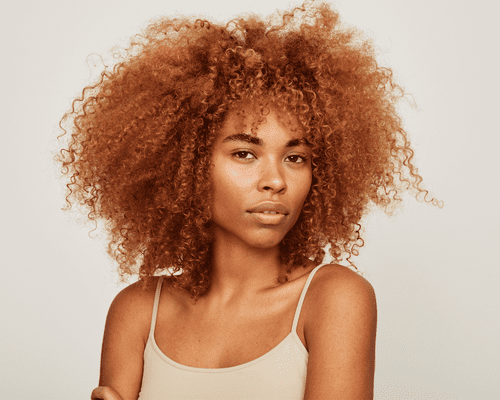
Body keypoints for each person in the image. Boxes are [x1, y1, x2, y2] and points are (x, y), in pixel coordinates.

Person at [56, 1, 439, 399]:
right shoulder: (136, 311)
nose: (275, 181)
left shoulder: (334, 298)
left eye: (296, 158)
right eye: (244, 154)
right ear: (185, 165)